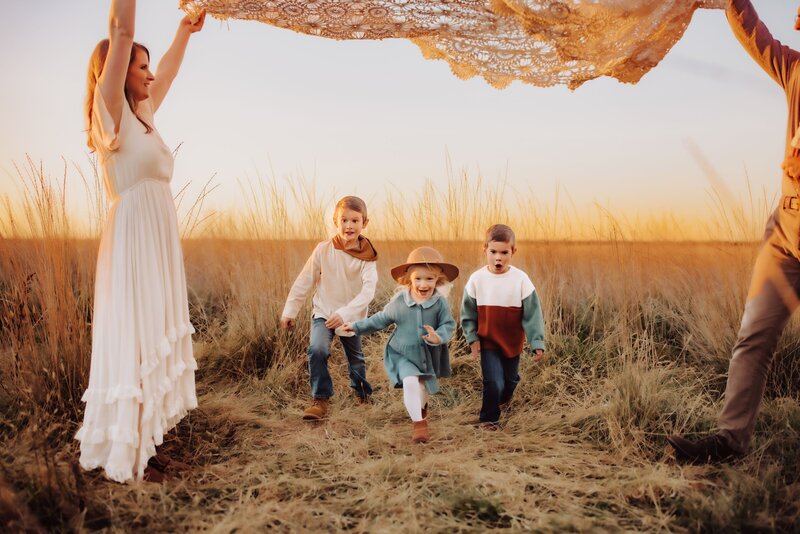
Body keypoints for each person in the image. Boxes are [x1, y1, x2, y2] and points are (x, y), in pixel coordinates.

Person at [75, 0, 205, 483]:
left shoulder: (143, 113)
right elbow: (120, 27)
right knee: (132, 335)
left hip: (157, 235)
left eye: (148, 66)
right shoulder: (109, 112)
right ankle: (127, 456)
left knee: (150, 331)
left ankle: (148, 444)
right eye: (140, 65)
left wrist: (184, 31)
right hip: (132, 235)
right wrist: (125, 27)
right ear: (116, 69)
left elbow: (167, 72)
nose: (149, 75)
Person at [668, 0, 800, 463]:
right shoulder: (797, 72)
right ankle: (728, 445)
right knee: (754, 338)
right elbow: (757, 36)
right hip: (786, 236)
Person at [343, 247, 458, 443]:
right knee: (410, 382)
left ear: (437, 280)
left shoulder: (439, 303)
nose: (423, 284)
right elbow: (380, 319)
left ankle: (421, 409)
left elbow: (448, 324)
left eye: (429, 279)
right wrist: (356, 326)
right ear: (409, 280)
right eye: (418, 279)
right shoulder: (400, 302)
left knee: (422, 388)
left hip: (427, 354)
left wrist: (438, 336)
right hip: (401, 353)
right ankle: (419, 424)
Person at [281, 196, 378, 420]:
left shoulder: (368, 257)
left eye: (355, 220)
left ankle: (362, 394)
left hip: (350, 316)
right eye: (344, 220)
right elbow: (305, 280)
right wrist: (290, 311)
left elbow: (368, 292)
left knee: (355, 358)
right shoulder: (323, 250)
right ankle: (320, 399)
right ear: (336, 221)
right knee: (317, 349)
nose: (349, 225)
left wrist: (344, 313)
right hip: (324, 312)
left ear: (365, 223)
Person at [460, 224, 545, 430]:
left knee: (510, 381)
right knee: (493, 382)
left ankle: (504, 399)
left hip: (512, 341)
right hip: (488, 340)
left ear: (513, 252)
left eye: (504, 252)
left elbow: (533, 314)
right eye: (493, 252)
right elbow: (467, 314)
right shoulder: (477, 280)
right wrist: (472, 339)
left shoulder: (521, 279)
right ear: (485, 249)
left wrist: (537, 341)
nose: (498, 257)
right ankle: (488, 419)